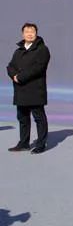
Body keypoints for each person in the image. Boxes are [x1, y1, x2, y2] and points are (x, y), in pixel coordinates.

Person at [6, 23, 51, 154]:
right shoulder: (18, 51)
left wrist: (20, 77)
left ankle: (41, 144)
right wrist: (13, 76)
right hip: (20, 90)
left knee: (39, 118)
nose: (29, 34)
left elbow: (39, 68)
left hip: (35, 90)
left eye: (32, 31)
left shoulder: (42, 49)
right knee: (22, 117)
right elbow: (10, 66)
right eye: (27, 31)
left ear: (36, 33)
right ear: (23, 34)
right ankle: (24, 143)